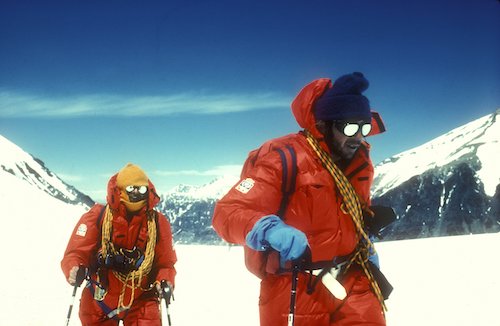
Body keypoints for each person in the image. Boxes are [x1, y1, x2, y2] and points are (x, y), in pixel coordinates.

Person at [212, 72, 390, 325]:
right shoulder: (283, 159)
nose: (358, 137)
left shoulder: (358, 163)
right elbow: (227, 213)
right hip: (296, 284)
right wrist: (267, 229)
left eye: (363, 127)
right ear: (325, 125)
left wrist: (366, 224)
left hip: (353, 277)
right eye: (350, 127)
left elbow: (341, 210)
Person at [61, 163, 177, 325]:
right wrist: (74, 267)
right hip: (100, 299)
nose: (136, 192)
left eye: (141, 189)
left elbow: (166, 264)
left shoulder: (158, 223)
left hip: (141, 299)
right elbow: (76, 252)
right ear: (120, 189)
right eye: (131, 188)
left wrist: (165, 279)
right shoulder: (97, 216)